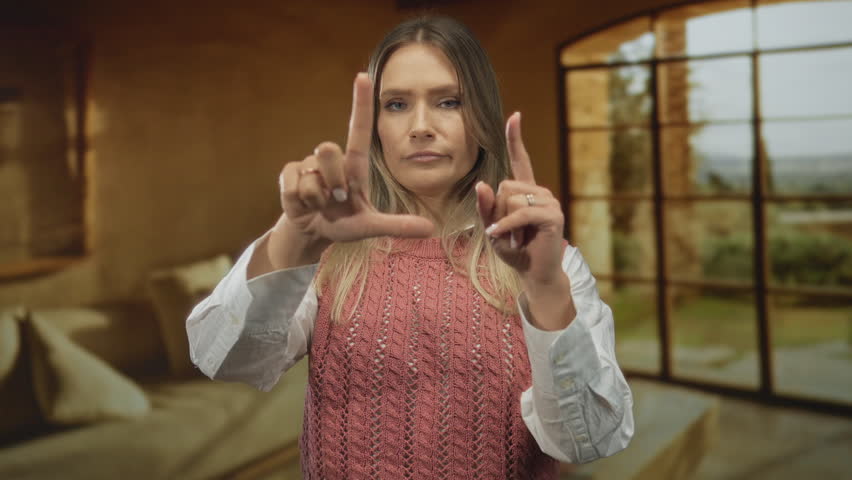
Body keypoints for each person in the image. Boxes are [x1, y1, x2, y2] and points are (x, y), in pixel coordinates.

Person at [186, 15, 633, 480]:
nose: (420, 126)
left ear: (482, 116)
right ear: (376, 123)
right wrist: (294, 237)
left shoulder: (550, 265)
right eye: (396, 104)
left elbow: (590, 440)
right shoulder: (331, 255)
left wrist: (545, 289)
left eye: (449, 101)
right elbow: (226, 359)